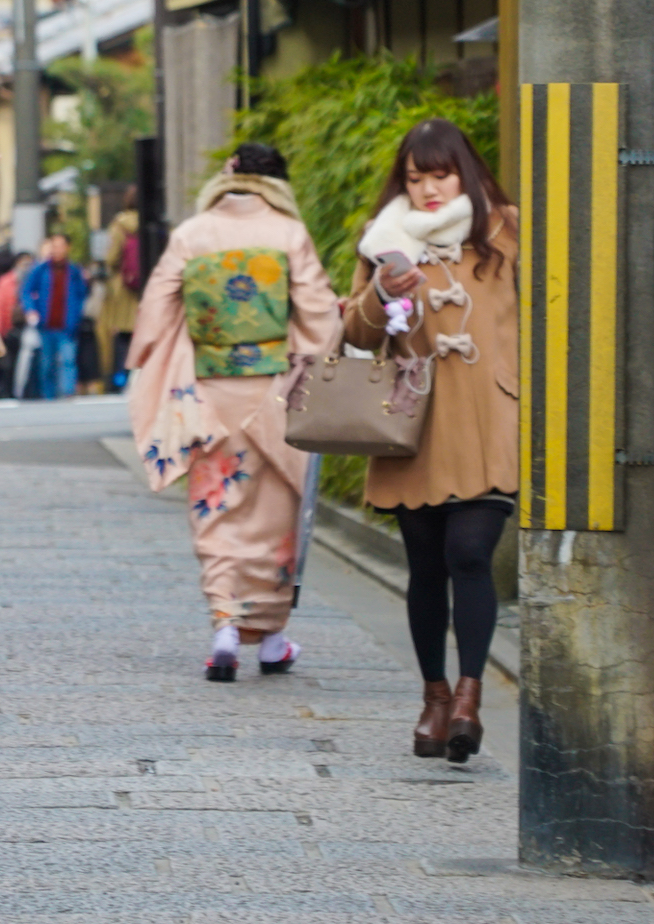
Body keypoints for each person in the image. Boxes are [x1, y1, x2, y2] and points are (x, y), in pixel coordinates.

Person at [128, 144, 339, 680]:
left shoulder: (192, 234)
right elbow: (319, 318)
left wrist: (147, 361)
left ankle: (224, 623)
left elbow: (155, 311)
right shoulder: (289, 234)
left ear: (229, 177)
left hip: (207, 391)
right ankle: (271, 638)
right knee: (276, 517)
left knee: (216, 510)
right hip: (274, 389)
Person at [343, 117, 519, 763]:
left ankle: (470, 696)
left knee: (471, 552)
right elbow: (358, 338)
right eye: (415, 178)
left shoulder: (506, 229)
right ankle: (435, 697)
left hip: (490, 419)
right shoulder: (382, 242)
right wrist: (378, 295)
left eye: (440, 175)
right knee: (425, 566)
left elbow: (550, 310)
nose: (428, 190)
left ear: (463, 171)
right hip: (413, 425)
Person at [20, 232, 87, 399]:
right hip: (46, 324)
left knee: (68, 361)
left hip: (67, 325)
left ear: (67, 248)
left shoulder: (74, 271)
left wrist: (76, 315)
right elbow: (26, 291)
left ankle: (67, 391)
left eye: (60, 246)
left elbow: (82, 294)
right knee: (47, 364)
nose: (57, 250)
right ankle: (48, 395)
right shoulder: (40, 270)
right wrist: (31, 310)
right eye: (54, 246)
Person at [98, 189, 142, 390]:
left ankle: (122, 378)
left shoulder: (120, 224)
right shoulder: (157, 222)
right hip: (148, 287)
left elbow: (112, 257)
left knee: (123, 335)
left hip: (123, 288)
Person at [0, 249, 32, 399]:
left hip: (30, 328)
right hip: (10, 330)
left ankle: (25, 391)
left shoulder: (33, 279)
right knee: (10, 363)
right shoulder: (6, 281)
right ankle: (10, 391)